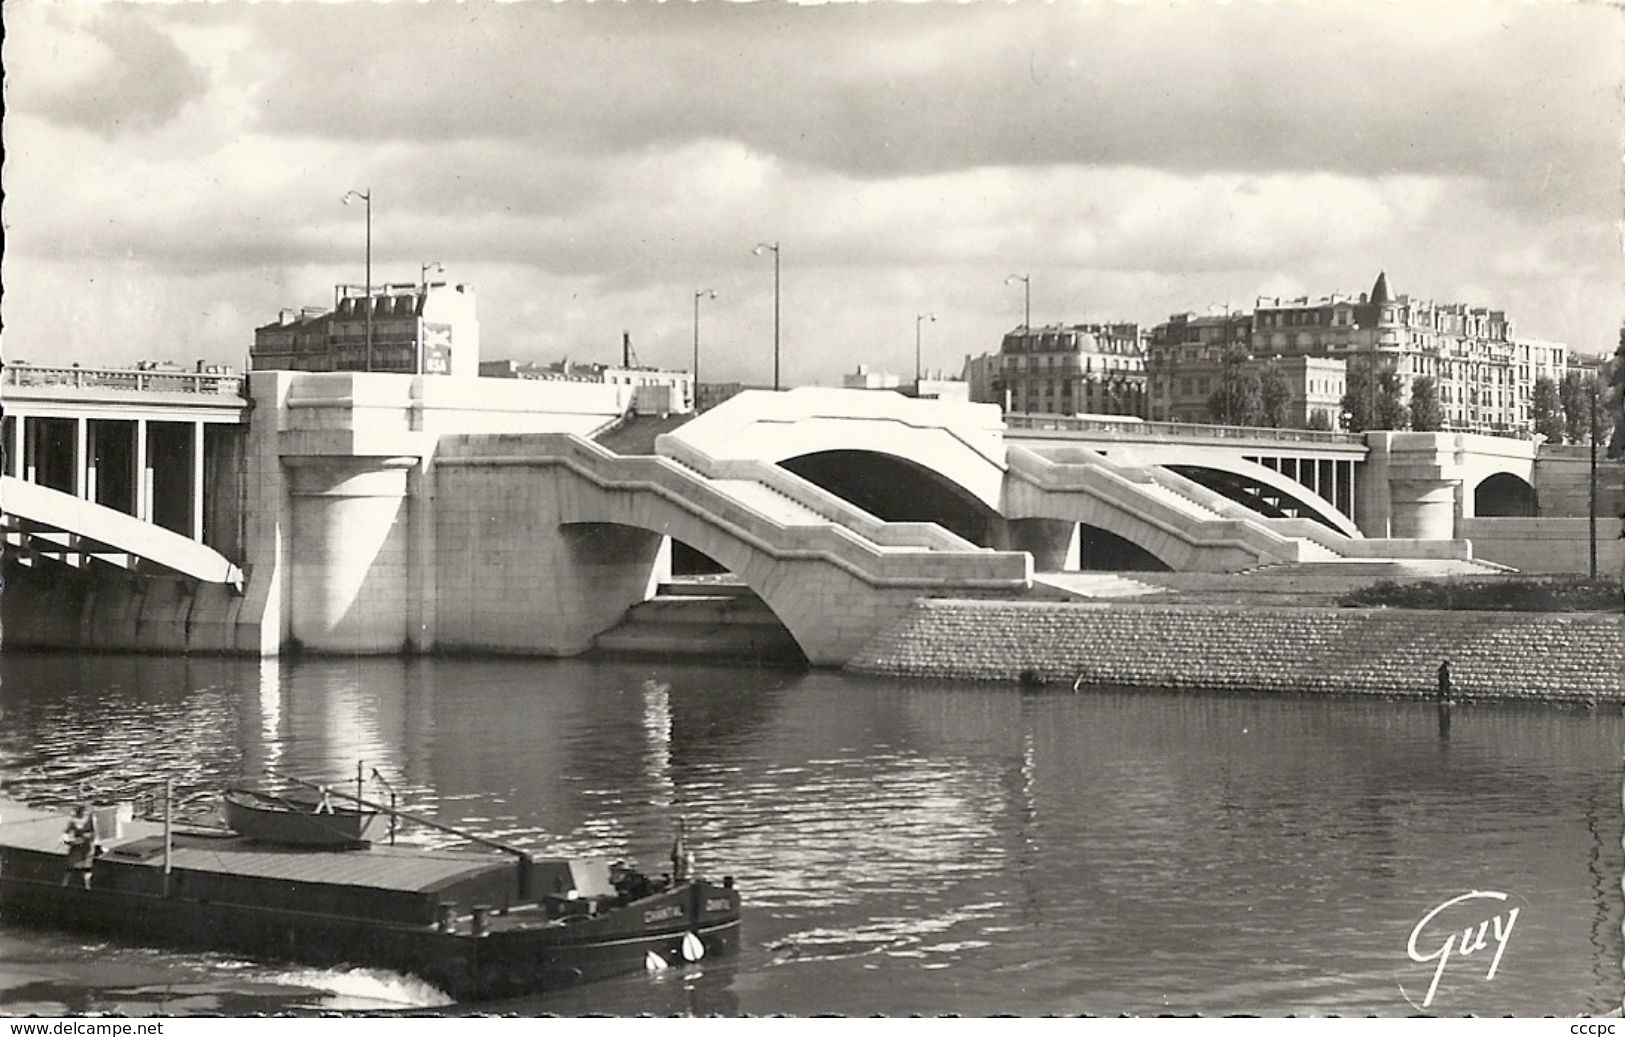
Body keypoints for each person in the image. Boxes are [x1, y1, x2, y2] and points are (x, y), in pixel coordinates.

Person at [60, 804, 96, 889]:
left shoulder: (89, 819)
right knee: (71, 864)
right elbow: (66, 832)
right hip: (76, 846)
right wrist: (66, 839)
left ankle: (87, 885)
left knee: (87, 865)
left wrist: (83, 838)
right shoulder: (73, 821)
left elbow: (92, 834)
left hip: (86, 846)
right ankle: (65, 882)